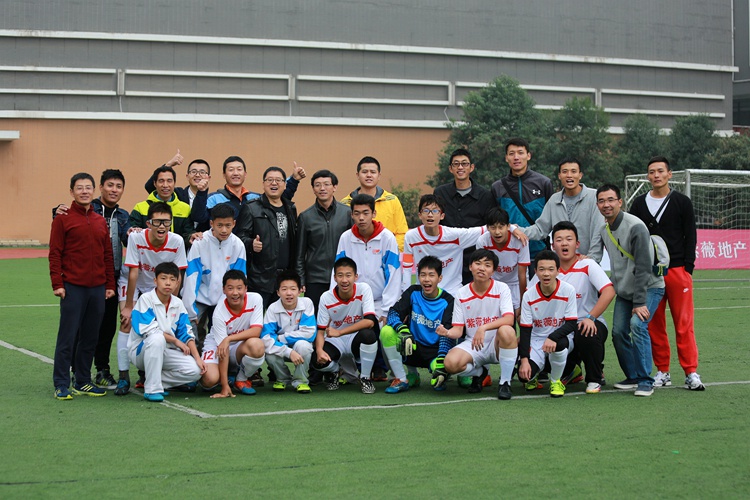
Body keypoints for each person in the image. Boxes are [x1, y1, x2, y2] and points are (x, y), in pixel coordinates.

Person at [629, 156, 704, 391]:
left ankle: (691, 372)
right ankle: (662, 371)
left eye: (660, 171)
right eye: (652, 172)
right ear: (647, 176)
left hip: (678, 270)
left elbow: (690, 235)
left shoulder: (682, 202)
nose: (656, 175)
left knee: (684, 323)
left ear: (669, 174)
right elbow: (634, 237)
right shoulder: (639, 204)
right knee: (654, 324)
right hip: (650, 274)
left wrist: (688, 268)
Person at [52, 169, 131, 390]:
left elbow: (107, 254)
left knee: (92, 336)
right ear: (72, 191)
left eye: (88, 188)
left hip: (100, 287)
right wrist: (57, 283)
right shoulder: (63, 218)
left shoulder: (103, 220)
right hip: (73, 286)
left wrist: (109, 285)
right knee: (68, 336)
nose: (84, 191)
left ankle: (84, 380)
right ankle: (62, 383)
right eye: (80, 188)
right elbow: (55, 252)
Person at [597, 184, 665, 397]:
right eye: (601, 201)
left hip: (649, 288)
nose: (606, 205)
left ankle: (646, 380)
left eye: (611, 200)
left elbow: (644, 266)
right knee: (618, 332)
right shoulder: (604, 230)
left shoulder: (635, 226)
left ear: (620, 202)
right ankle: (633, 376)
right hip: (625, 291)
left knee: (637, 325)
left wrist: (639, 302)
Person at [116, 202, 188, 395]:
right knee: (126, 322)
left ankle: (149, 373)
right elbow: (133, 273)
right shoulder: (136, 238)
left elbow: (178, 275)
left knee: (162, 327)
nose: (162, 226)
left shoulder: (177, 241)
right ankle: (123, 376)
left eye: (166, 222)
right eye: (157, 222)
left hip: (160, 285)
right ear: (148, 223)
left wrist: (171, 305)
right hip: (135, 282)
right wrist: (129, 306)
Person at [536, 221, 615, 394]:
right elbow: (532, 297)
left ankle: (594, 378)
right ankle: (571, 370)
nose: (564, 243)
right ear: (553, 246)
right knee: (543, 349)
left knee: (586, 332)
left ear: (577, 244)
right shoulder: (547, 269)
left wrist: (591, 317)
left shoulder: (588, 265)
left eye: (569, 239)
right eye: (559, 240)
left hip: (586, 322)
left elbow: (609, 291)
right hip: (559, 327)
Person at [436, 249, 517, 400]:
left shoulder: (502, 288)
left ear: (493, 270)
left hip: (496, 343)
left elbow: (509, 319)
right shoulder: (462, 293)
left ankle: (505, 382)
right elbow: (458, 330)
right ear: (470, 267)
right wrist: (447, 332)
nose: (482, 268)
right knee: (450, 364)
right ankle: (480, 373)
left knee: (507, 331)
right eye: (478, 263)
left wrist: (483, 328)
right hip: (473, 344)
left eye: (487, 265)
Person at [129, 262, 205, 402]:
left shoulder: (178, 303)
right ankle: (152, 389)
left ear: (177, 283)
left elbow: (187, 333)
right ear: (155, 281)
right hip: (141, 351)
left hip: (166, 351)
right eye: (163, 278)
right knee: (157, 338)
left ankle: (153, 380)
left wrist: (198, 358)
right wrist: (175, 341)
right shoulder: (145, 299)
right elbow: (148, 330)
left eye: (172, 279)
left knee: (195, 371)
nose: (168, 283)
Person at [380, 256, 455, 393]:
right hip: (412, 346)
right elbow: (393, 313)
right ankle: (403, 378)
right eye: (423, 275)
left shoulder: (448, 301)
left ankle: (441, 373)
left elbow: (447, 334)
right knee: (386, 331)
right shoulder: (413, 292)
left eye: (431, 275)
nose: (426, 279)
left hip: (435, 351)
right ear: (418, 277)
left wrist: (441, 361)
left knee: (442, 376)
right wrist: (402, 329)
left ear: (440, 278)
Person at [181, 203, 247, 349]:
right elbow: (191, 278)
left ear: (234, 223)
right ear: (212, 223)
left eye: (228, 225)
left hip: (224, 299)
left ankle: (219, 360)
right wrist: (190, 309)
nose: (224, 230)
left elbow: (239, 280)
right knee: (191, 328)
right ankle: (194, 359)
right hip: (200, 298)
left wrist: (231, 303)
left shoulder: (238, 245)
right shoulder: (199, 243)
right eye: (220, 225)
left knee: (220, 335)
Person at [514, 158, 604, 262]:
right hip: (561, 265)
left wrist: (592, 259)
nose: (569, 175)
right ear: (559, 176)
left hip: (587, 263)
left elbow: (598, 231)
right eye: (565, 172)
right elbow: (540, 229)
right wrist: (517, 229)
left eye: (573, 171)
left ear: (580, 175)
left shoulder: (594, 197)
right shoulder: (554, 200)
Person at [312, 257, 380, 394]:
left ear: (356, 277)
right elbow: (320, 331)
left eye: (348, 275)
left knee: (369, 335)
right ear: (334, 278)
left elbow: (370, 321)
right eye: (340, 275)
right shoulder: (326, 297)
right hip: (335, 340)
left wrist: (340, 332)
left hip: (355, 337)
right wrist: (319, 351)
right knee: (316, 361)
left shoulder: (364, 289)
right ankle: (335, 371)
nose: (344, 280)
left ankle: (365, 378)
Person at [517, 250, 579, 398]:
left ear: (558, 271)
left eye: (551, 269)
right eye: (542, 269)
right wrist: (524, 360)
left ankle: (556, 381)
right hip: (536, 340)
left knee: (559, 344)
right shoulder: (529, 295)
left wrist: (552, 337)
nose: (546, 274)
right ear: (535, 271)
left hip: (560, 338)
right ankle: (534, 376)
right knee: (523, 376)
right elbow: (525, 329)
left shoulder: (568, 290)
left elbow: (571, 324)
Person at [237, 166, 298, 309]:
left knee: (282, 318)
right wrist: (251, 243)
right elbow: (239, 237)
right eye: (269, 180)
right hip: (260, 278)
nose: (274, 183)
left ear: (285, 184)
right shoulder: (251, 208)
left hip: (284, 277)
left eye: (278, 180)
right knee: (256, 317)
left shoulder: (290, 208)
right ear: (263, 184)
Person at [334, 193, 401, 323]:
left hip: (380, 304)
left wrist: (387, 309)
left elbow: (394, 275)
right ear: (351, 215)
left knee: (383, 334)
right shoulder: (345, 238)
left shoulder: (387, 238)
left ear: (374, 213)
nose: (361, 218)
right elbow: (337, 272)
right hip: (352, 303)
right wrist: (336, 304)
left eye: (366, 213)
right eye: (357, 213)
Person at [433, 148, 496, 284]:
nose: (460, 167)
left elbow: (491, 225)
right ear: (450, 169)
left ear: (471, 167)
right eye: (456, 164)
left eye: (464, 164)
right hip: (446, 258)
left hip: (474, 259)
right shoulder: (440, 193)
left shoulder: (485, 195)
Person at [401, 194, 484, 296]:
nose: (430, 215)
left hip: (452, 293)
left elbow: (485, 230)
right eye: (426, 210)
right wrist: (406, 295)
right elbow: (407, 268)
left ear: (442, 216)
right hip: (424, 294)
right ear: (420, 215)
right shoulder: (411, 237)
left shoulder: (455, 236)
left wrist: (503, 226)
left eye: (435, 211)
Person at [200, 270, 265, 398]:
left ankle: (240, 379)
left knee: (257, 345)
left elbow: (256, 331)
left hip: (237, 345)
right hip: (217, 345)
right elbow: (222, 350)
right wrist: (224, 387)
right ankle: (223, 378)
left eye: (239, 288)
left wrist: (229, 339)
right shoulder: (219, 312)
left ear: (246, 289)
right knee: (209, 380)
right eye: (230, 288)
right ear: (224, 290)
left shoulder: (256, 299)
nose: (235, 293)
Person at [491, 138, 553, 266]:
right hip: (508, 253)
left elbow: (551, 217)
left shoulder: (544, 183)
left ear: (528, 156)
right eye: (511, 153)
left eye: (520, 153)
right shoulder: (497, 187)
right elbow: (494, 220)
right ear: (506, 158)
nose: (516, 157)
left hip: (538, 253)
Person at [295, 169, 352, 309]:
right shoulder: (305, 217)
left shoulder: (347, 213)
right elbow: (299, 253)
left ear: (334, 187)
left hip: (342, 277)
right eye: (317, 185)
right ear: (313, 189)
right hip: (315, 279)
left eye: (326, 184)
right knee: (315, 317)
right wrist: (301, 278)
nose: (322, 188)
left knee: (342, 316)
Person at [205, 156, 303, 228]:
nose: (235, 173)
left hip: (250, 247)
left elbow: (277, 197)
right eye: (231, 170)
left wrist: (294, 180)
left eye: (239, 169)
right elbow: (200, 219)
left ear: (245, 174)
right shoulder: (213, 198)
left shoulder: (254, 198)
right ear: (224, 175)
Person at [261, 271, 317, 393]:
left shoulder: (307, 303)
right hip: (282, 348)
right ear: (278, 292)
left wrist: (281, 338)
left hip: (296, 344)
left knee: (304, 346)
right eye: (284, 289)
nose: (289, 293)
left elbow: (309, 333)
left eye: (293, 289)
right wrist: (288, 351)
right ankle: (283, 378)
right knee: (269, 354)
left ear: (300, 291)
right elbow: (266, 338)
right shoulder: (272, 309)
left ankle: (301, 381)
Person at [341, 156, 409, 251]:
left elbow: (402, 232)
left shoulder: (392, 200)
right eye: (364, 172)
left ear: (379, 176)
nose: (369, 175)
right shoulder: (345, 203)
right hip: (355, 254)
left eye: (373, 172)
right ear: (357, 175)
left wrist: (390, 250)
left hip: (386, 253)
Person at [475, 206, 530, 318]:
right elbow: (481, 271)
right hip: (494, 283)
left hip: (515, 283)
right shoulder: (483, 241)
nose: (497, 232)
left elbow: (522, 275)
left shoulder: (520, 242)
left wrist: (522, 302)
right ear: (487, 228)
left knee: (520, 318)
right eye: (493, 227)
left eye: (501, 227)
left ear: (508, 226)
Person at [130, 165, 195, 244]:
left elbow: (187, 235)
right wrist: (132, 231)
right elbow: (131, 234)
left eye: (169, 181)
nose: (165, 185)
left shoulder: (185, 208)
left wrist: (191, 237)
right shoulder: (140, 208)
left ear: (174, 183)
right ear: (154, 183)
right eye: (161, 181)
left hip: (175, 251)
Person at [143, 151, 210, 228]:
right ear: (187, 176)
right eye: (193, 171)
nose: (197, 175)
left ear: (208, 177)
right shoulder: (177, 194)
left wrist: (202, 192)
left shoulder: (212, 199)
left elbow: (198, 217)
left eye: (202, 172)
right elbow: (150, 187)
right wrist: (168, 165)